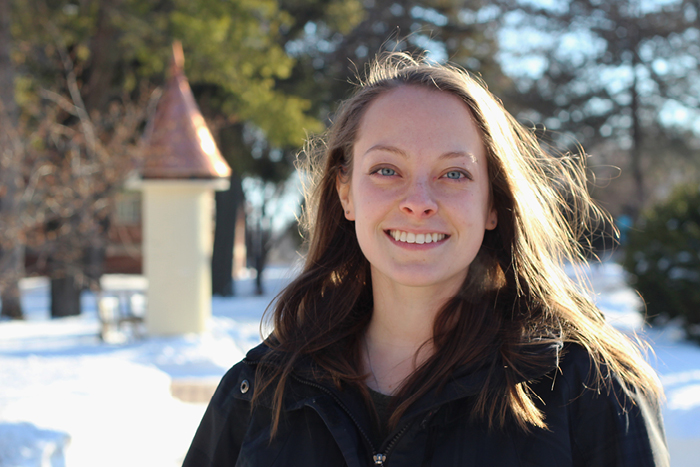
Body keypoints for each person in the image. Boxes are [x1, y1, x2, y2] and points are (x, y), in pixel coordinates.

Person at [183, 53, 668, 467]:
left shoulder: (590, 392)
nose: (418, 201)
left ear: (493, 205)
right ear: (345, 193)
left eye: (454, 173)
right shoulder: (262, 390)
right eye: (387, 169)